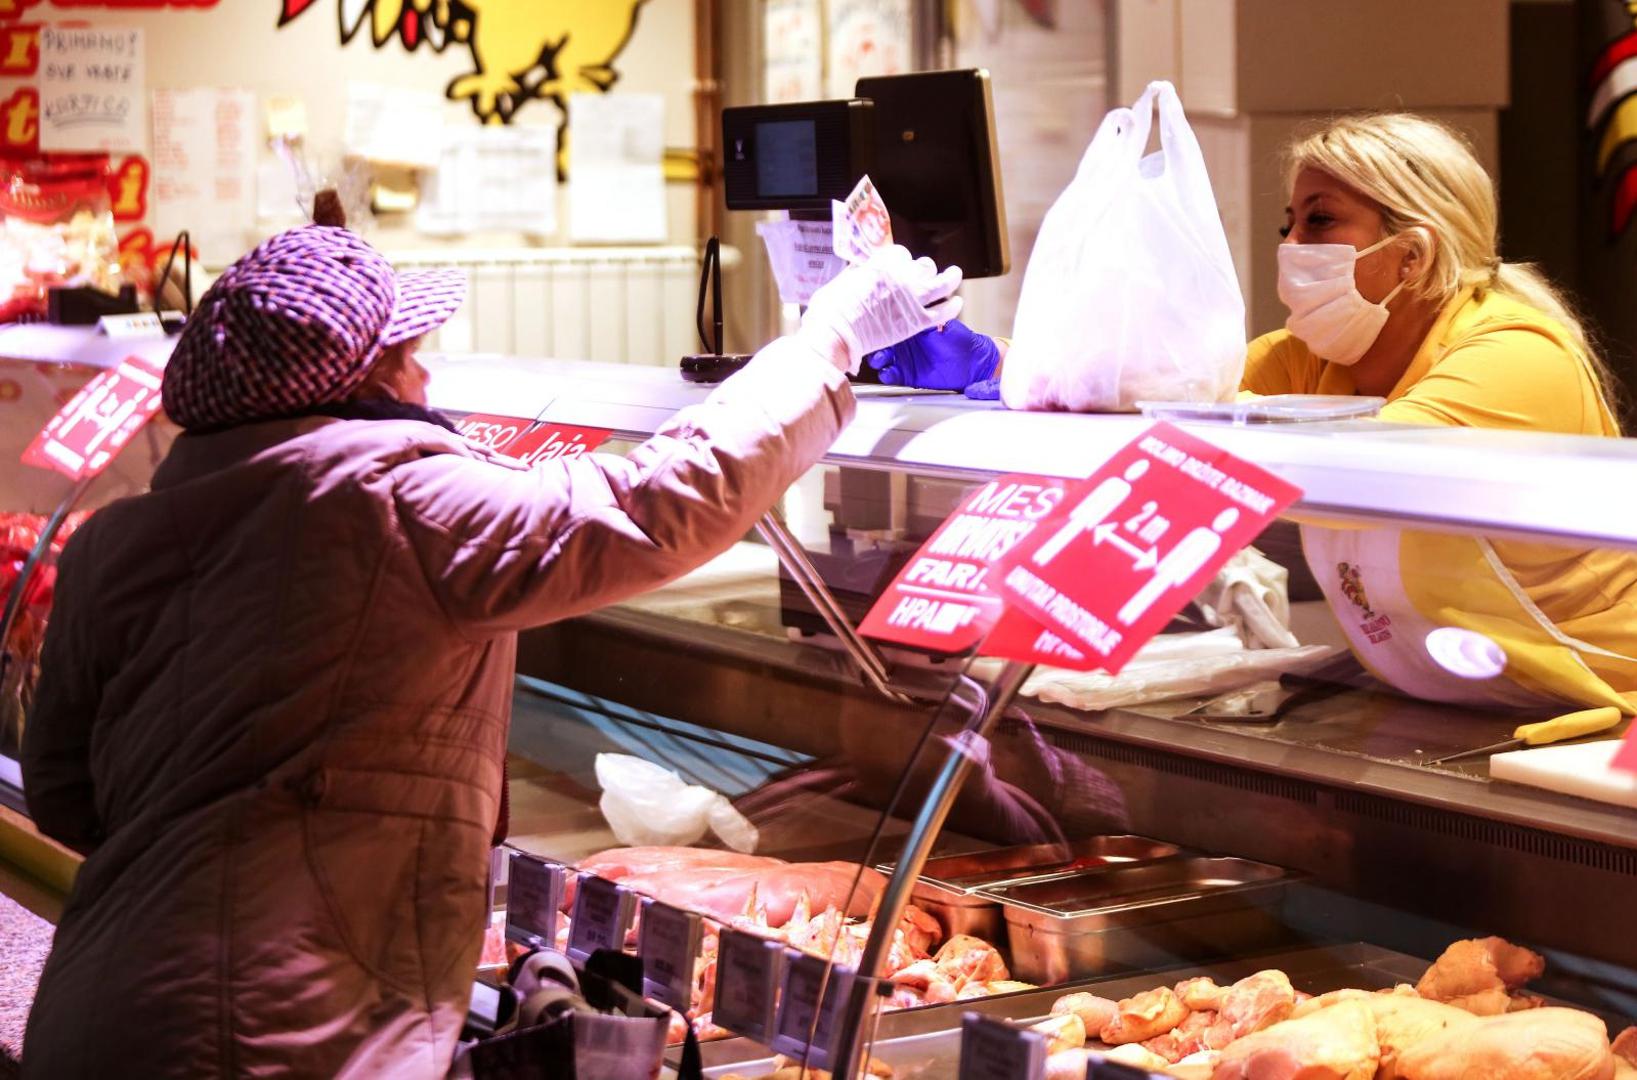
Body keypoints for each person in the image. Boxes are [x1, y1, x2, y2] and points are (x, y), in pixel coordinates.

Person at [19, 204, 961, 1077]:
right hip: (267, 1035)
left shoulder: (113, 539)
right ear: (365, 378)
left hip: (94, 1002)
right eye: (411, 349)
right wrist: (824, 343)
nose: (430, 371)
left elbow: (66, 797)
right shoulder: (389, 503)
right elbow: (655, 508)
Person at [870, 114, 1637, 712]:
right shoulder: (1316, 355)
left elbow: (1350, 463)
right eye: (1289, 222)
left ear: (1414, 255)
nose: (1291, 245)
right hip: (1457, 695)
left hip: (1598, 711)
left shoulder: (1515, 353)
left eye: (1320, 222)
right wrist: (999, 365)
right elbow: (1158, 389)